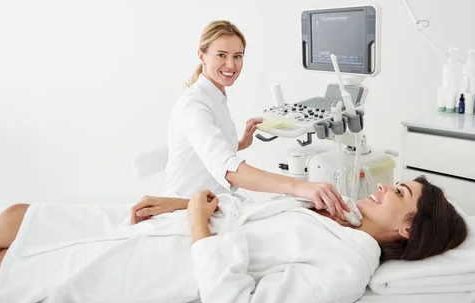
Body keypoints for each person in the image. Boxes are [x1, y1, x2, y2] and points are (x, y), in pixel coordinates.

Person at [0, 176, 467, 303]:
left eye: (397, 194)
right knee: (15, 217)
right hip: (171, 226)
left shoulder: (349, 265)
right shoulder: (340, 221)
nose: (384, 187)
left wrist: (195, 223)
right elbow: (248, 208)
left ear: (406, 228)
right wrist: (179, 203)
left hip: (161, 262)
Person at [134, 20, 350, 221]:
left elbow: (206, 150)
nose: (231, 64)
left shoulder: (215, 95)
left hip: (213, 202)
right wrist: (299, 187)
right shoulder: (194, 105)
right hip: (185, 210)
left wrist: (239, 144)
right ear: (202, 56)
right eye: (221, 55)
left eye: (238, 56)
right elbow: (226, 168)